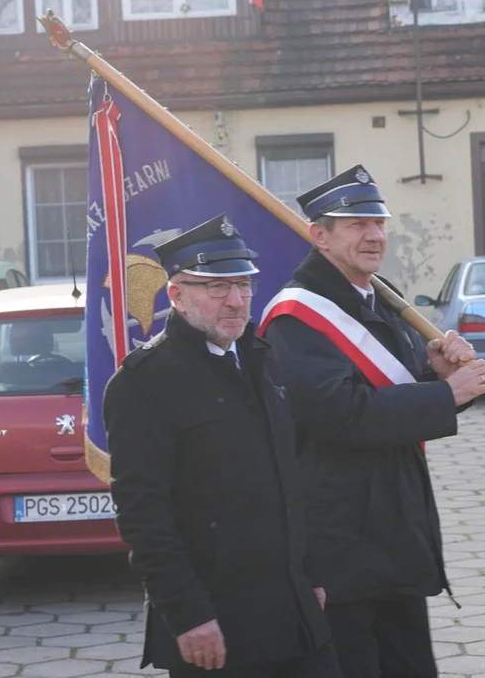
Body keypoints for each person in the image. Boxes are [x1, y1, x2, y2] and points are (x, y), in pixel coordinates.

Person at [259, 165, 485, 677]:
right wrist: (445, 393)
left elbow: (397, 392)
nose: (374, 235)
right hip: (341, 545)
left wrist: (435, 374)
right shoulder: (296, 316)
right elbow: (340, 416)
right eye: (355, 225)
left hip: (395, 535)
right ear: (319, 235)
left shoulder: (380, 296)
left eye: (379, 222)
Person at [103, 214, 340, 677]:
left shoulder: (262, 358)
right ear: (177, 295)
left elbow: (289, 478)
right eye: (217, 288)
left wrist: (311, 573)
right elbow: (142, 514)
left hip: (293, 610)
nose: (235, 301)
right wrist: (188, 615)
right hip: (217, 624)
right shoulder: (144, 383)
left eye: (243, 286)